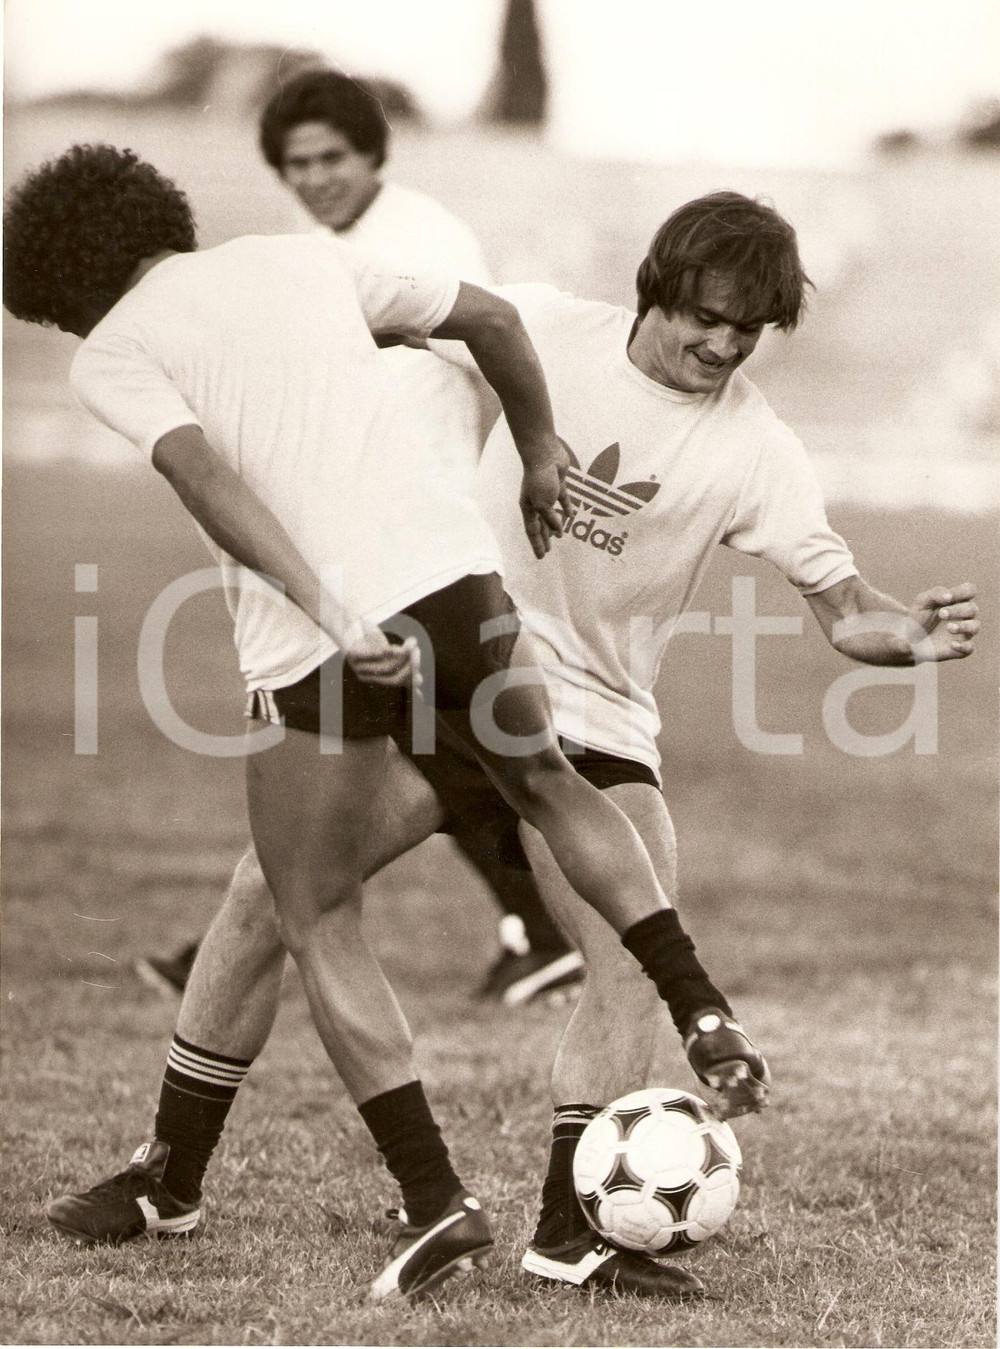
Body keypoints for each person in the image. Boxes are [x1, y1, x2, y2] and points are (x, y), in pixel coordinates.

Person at [4, 148, 771, 1302]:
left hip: (319, 639)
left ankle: (433, 1193)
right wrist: (541, 449)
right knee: (552, 786)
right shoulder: (304, 260)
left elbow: (207, 479)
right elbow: (491, 319)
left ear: (63, 285)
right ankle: (698, 1000)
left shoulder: (112, 350)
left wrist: (327, 611)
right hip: (459, 581)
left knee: (310, 905)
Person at [136, 68, 583, 1008]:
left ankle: (537, 928)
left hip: (415, 529)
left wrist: (522, 461)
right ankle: (539, 929)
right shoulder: (318, 249)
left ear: (374, 152)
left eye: (331, 157)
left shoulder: (417, 237)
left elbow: (486, 346)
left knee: (408, 734)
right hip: (361, 529)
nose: (315, 178)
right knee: (431, 736)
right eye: (296, 164)